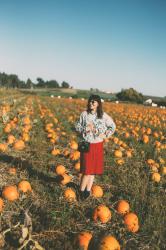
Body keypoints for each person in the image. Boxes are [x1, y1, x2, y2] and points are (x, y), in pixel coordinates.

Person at [75, 94, 116, 200]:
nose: (91, 103)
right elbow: (77, 126)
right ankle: (80, 191)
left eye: (93, 102)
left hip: (97, 144)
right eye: (90, 101)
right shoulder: (84, 114)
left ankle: (87, 191)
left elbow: (112, 126)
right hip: (85, 143)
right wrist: (85, 128)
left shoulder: (103, 116)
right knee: (86, 171)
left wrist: (105, 134)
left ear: (98, 104)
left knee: (92, 170)